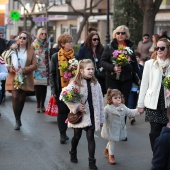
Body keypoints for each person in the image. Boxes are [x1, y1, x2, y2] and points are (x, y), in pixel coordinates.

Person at [60, 59, 105, 170]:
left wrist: (102, 119)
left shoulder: (96, 84)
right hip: (81, 115)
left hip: (92, 115)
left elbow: (100, 101)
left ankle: (92, 162)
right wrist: (76, 106)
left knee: (91, 137)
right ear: (81, 70)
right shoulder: (75, 83)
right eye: (88, 69)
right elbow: (63, 95)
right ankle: (73, 151)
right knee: (77, 136)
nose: (91, 71)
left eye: (92, 69)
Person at [101, 25, 141, 126]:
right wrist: (113, 67)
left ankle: (121, 128)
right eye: (118, 33)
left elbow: (135, 66)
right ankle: (111, 126)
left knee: (123, 103)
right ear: (115, 34)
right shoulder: (109, 47)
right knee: (112, 103)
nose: (120, 35)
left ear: (126, 35)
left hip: (126, 80)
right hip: (112, 79)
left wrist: (141, 78)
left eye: (123, 33)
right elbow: (102, 62)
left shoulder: (130, 48)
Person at [137, 38, 170, 151]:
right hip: (153, 103)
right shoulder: (149, 64)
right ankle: (157, 156)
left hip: (167, 104)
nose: (159, 50)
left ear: (168, 49)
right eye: (157, 48)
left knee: (165, 132)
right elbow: (144, 85)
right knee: (154, 132)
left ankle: (164, 157)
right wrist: (140, 104)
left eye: (162, 48)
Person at [5, 31, 37, 130]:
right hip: (13, 76)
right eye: (20, 37)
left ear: (28, 40)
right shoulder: (13, 48)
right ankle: (17, 120)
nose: (22, 39)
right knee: (15, 97)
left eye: (24, 38)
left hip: (25, 77)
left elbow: (35, 65)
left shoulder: (31, 50)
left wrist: (23, 70)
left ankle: (18, 117)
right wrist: (10, 68)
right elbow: (5, 59)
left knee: (22, 99)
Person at [101, 89, 141, 165]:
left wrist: (138, 111)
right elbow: (102, 116)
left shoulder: (123, 106)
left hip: (119, 128)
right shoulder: (107, 108)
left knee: (112, 140)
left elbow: (130, 112)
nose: (118, 99)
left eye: (119, 97)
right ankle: (111, 156)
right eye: (115, 98)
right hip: (110, 128)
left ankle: (106, 150)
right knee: (112, 140)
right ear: (111, 99)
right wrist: (100, 122)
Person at [50, 33, 76, 144]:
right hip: (60, 88)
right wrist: (53, 90)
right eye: (68, 42)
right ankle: (62, 134)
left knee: (73, 110)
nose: (71, 44)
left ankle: (76, 132)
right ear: (62, 44)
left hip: (74, 88)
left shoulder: (75, 56)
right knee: (62, 111)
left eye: (71, 41)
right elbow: (52, 74)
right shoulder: (56, 56)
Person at [32, 28, 49, 113]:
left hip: (45, 67)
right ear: (39, 34)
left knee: (44, 87)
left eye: (45, 34)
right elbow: (31, 55)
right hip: (37, 68)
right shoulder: (34, 44)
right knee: (38, 87)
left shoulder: (47, 44)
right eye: (42, 34)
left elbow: (49, 55)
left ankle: (42, 105)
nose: (44, 35)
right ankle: (38, 104)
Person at [127, 51, 144, 125]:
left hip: (138, 88)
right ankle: (131, 117)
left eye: (137, 57)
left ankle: (132, 115)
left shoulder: (141, 67)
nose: (136, 58)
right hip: (131, 87)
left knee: (134, 102)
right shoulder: (130, 66)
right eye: (135, 57)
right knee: (130, 102)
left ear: (139, 58)